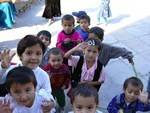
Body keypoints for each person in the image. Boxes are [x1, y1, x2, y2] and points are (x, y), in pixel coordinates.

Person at [0, 35, 54, 101]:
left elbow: (48, 94)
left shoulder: (43, 75)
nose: (34, 57)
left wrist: (50, 103)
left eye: (38, 53)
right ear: (20, 55)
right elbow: (1, 81)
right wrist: (3, 68)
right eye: (29, 53)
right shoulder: (12, 70)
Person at [43, 47, 71, 113]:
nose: (56, 63)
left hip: (60, 88)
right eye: (53, 61)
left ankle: (61, 107)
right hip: (50, 89)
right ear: (49, 60)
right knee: (50, 99)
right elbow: (43, 79)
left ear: (62, 59)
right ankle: (52, 108)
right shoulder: (46, 69)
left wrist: (65, 85)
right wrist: (47, 77)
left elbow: (68, 77)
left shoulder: (64, 68)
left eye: (59, 60)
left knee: (61, 99)